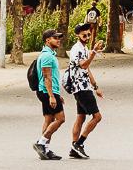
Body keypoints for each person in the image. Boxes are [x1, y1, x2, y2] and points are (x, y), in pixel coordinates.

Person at [66, 22, 102, 159]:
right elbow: (84, 64)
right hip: (80, 88)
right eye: (84, 34)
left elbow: (87, 70)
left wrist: (96, 86)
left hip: (84, 86)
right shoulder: (77, 49)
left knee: (80, 117)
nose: (87, 36)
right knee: (97, 117)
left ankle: (73, 149)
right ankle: (79, 143)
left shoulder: (84, 48)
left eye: (88, 34)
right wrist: (93, 53)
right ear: (78, 35)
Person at [33, 29, 66, 160]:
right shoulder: (47, 56)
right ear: (47, 40)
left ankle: (45, 150)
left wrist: (57, 94)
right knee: (60, 119)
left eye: (59, 38)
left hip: (48, 91)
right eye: (55, 38)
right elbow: (47, 77)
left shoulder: (49, 54)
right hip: (47, 91)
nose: (58, 40)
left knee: (49, 119)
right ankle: (41, 143)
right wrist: (52, 96)